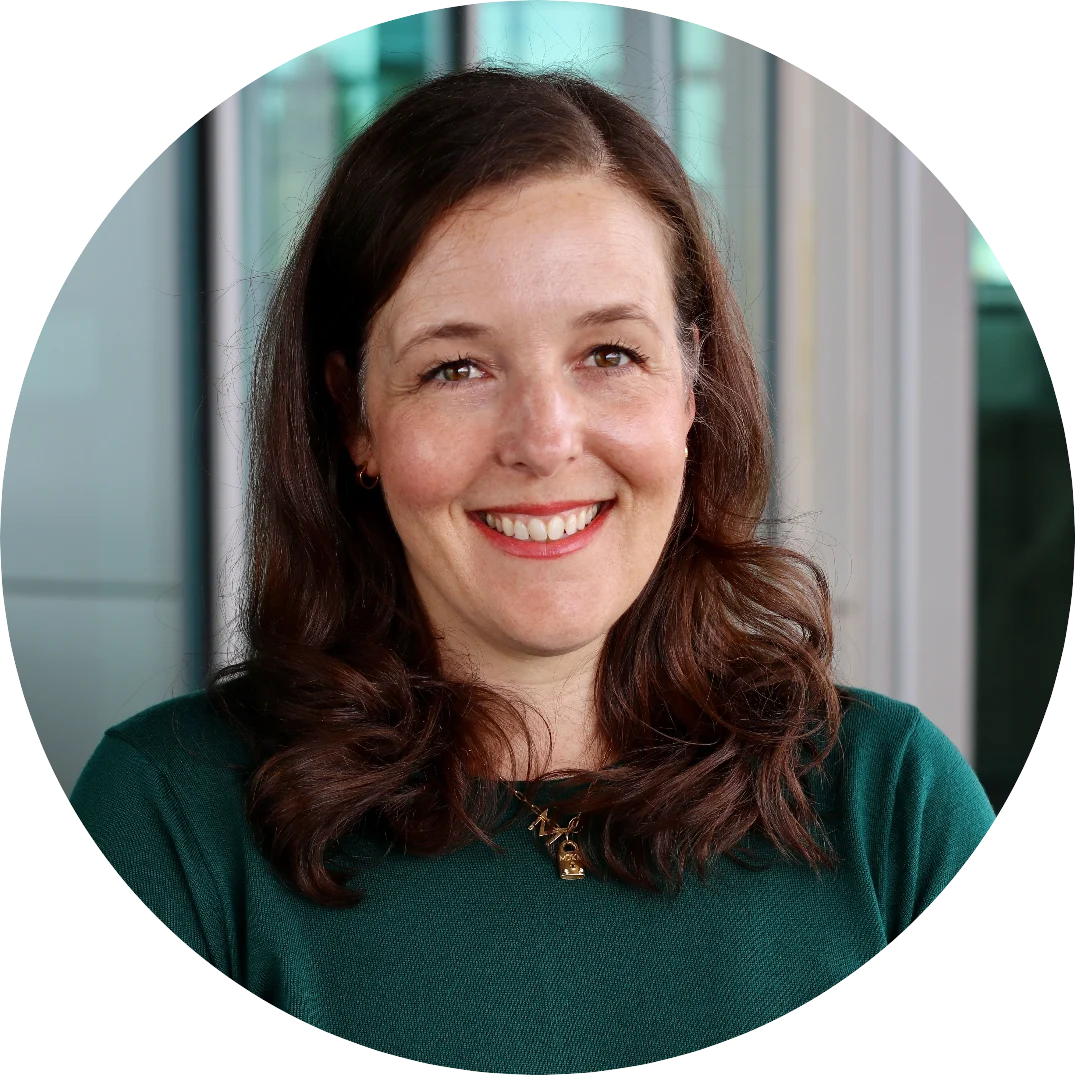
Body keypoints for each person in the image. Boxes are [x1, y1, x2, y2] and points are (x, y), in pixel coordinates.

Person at [70, 65, 995, 1074]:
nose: (545, 441)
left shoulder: (889, 802)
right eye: (456, 368)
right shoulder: (173, 821)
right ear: (353, 418)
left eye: (609, 354)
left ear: (693, 381)